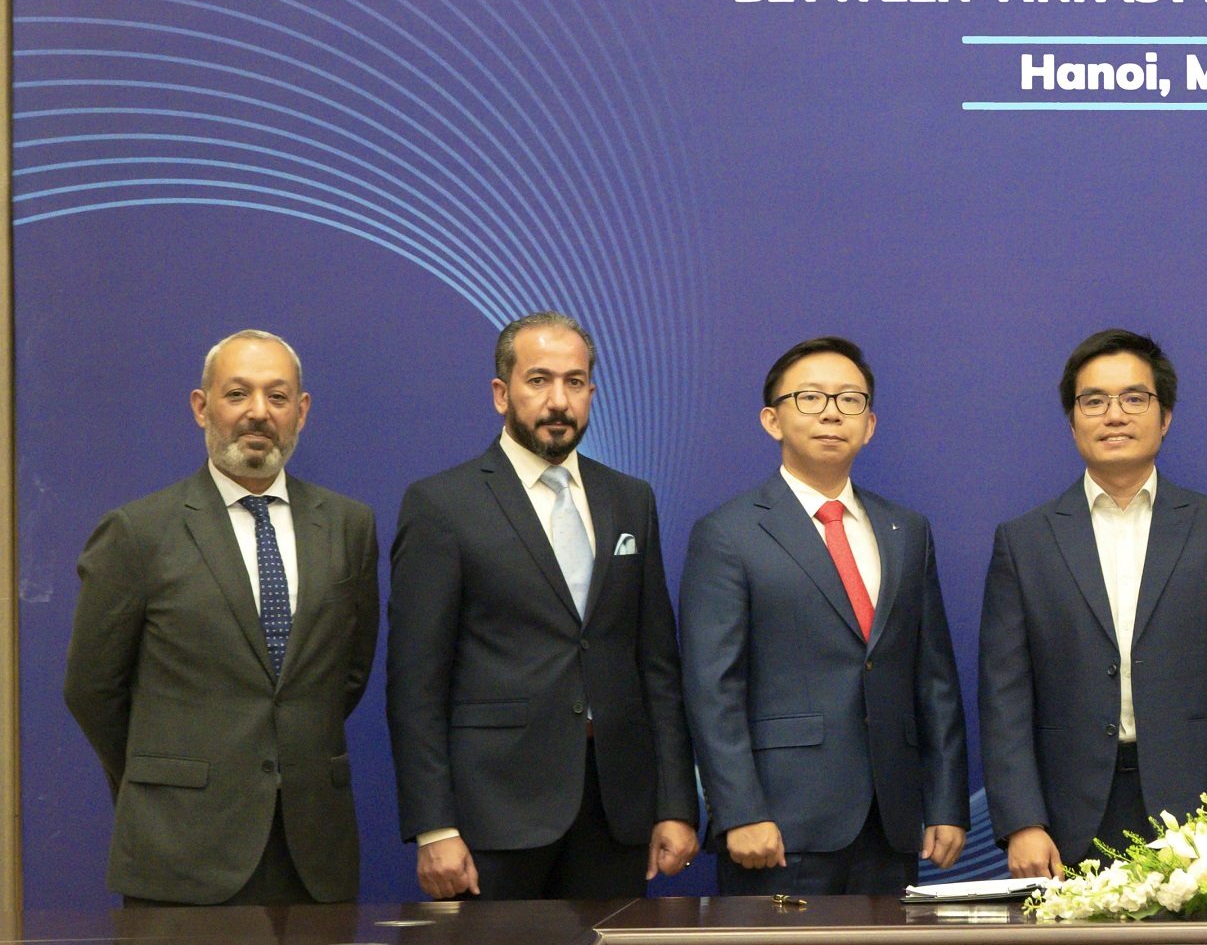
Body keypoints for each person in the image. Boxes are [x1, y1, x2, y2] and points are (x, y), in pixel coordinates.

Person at [387, 312, 697, 900]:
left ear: (592, 393)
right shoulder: (441, 504)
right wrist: (435, 826)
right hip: (492, 817)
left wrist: (676, 803)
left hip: (616, 811)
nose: (558, 401)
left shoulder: (630, 500)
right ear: (501, 392)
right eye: (539, 381)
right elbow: (415, 682)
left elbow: (657, 664)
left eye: (575, 382)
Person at [64, 331, 379, 904]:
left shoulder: (348, 526)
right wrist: (160, 783)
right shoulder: (138, 533)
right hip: (180, 851)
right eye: (238, 394)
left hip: (314, 853)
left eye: (278, 397)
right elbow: (92, 690)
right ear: (201, 406)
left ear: (301, 412)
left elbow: (346, 677)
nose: (259, 413)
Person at [979, 330, 1207, 873]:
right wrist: (1023, 822)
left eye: (1134, 399)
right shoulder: (1025, 542)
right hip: (1067, 819)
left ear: (1165, 418)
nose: (1114, 415)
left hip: (1201, 816)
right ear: (1072, 422)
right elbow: (1005, 698)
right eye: (1094, 401)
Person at [682, 336, 968, 895]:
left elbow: (934, 681)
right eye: (810, 398)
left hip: (892, 823)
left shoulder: (906, 531)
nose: (832, 412)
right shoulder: (729, 532)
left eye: (850, 400)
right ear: (772, 420)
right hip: (780, 824)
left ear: (870, 424)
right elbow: (712, 687)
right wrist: (738, 810)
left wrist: (946, 803)